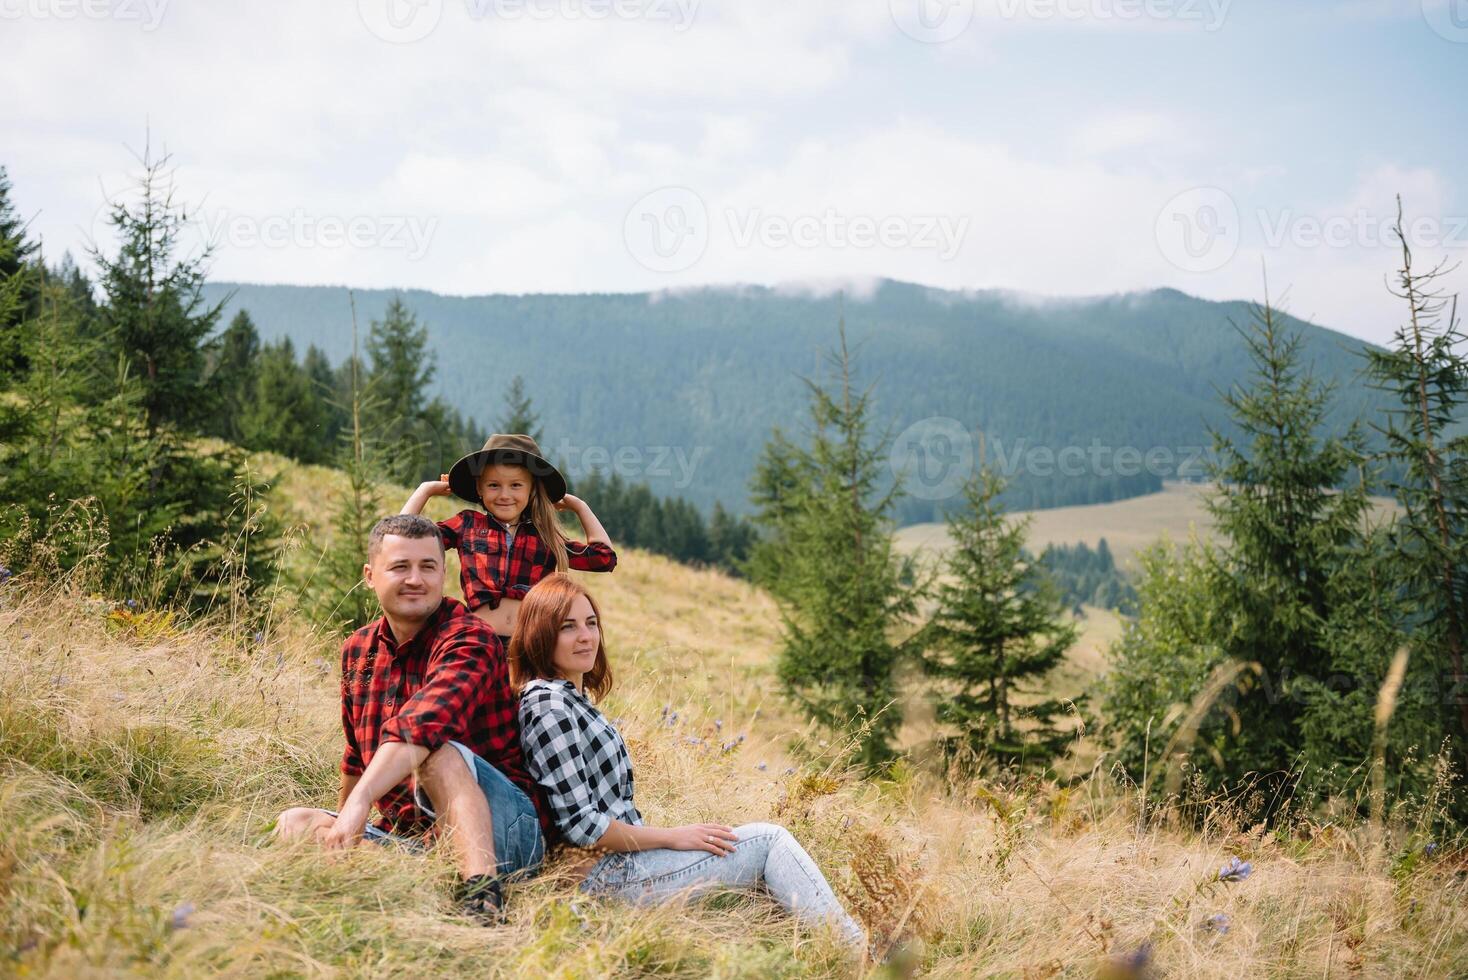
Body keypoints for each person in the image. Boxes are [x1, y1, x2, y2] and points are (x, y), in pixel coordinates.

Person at [510, 573, 869, 952]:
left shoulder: (571, 698)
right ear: (541, 634)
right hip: (607, 875)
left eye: (591, 623)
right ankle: (859, 955)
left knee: (764, 888)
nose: (586, 636)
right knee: (768, 841)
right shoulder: (548, 703)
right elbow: (583, 826)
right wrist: (673, 835)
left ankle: (830, 955)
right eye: (568, 627)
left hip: (620, 862)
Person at [274, 514, 548, 924]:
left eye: (428, 567)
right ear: (370, 575)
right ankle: (420, 883)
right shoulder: (357, 650)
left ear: (443, 573)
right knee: (294, 823)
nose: (415, 580)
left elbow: (423, 724)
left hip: (507, 832)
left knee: (435, 753)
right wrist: (345, 822)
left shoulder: (470, 638)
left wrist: (362, 803)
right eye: (400, 567)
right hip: (415, 836)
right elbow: (354, 757)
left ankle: (483, 901)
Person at [401, 433, 617, 649]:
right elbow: (404, 539)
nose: (505, 495)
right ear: (479, 488)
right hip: (479, 641)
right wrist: (425, 491)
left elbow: (603, 558)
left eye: (516, 485)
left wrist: (579, 506)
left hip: (532, 646)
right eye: (494, 485)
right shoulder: (467, 524)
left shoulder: (545, 536)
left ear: (532, 489)